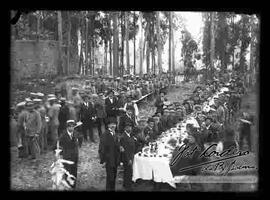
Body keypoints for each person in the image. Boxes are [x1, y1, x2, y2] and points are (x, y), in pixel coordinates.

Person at [98, 118, 121, 191]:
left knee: (114, 177)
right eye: (111, 124)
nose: (113, 125)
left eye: (114, 124)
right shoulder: (105, 135)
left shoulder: (115, 134)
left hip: (115, 159)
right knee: (110, 178)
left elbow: (116, 146)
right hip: (109, 159)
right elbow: (101, 148)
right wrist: (103, 160)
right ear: (108, 125)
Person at [59, 120, 79, 189]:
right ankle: (67, 185)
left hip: (75, 156)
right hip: (67, 157)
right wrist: (62, 153)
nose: (71, 128)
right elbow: (58, 145)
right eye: (70, 126)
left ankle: (73, 185)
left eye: (73, 126)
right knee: (67, 171)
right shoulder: (63, 135)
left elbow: (79, 139)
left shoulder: (76, 133)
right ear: (67, 127)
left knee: (74, 171)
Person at [120, 122, 136, 191]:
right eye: (127, 127)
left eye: (130, 127)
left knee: (127, 171)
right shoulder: (123, 137)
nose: (129, 128)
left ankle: (125, 184)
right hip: (127, 157)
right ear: (125, 128)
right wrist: (128, 159)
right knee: (128, 172)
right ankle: (128, 187)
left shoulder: (130, 135)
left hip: (131, 155)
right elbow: (125, 150)